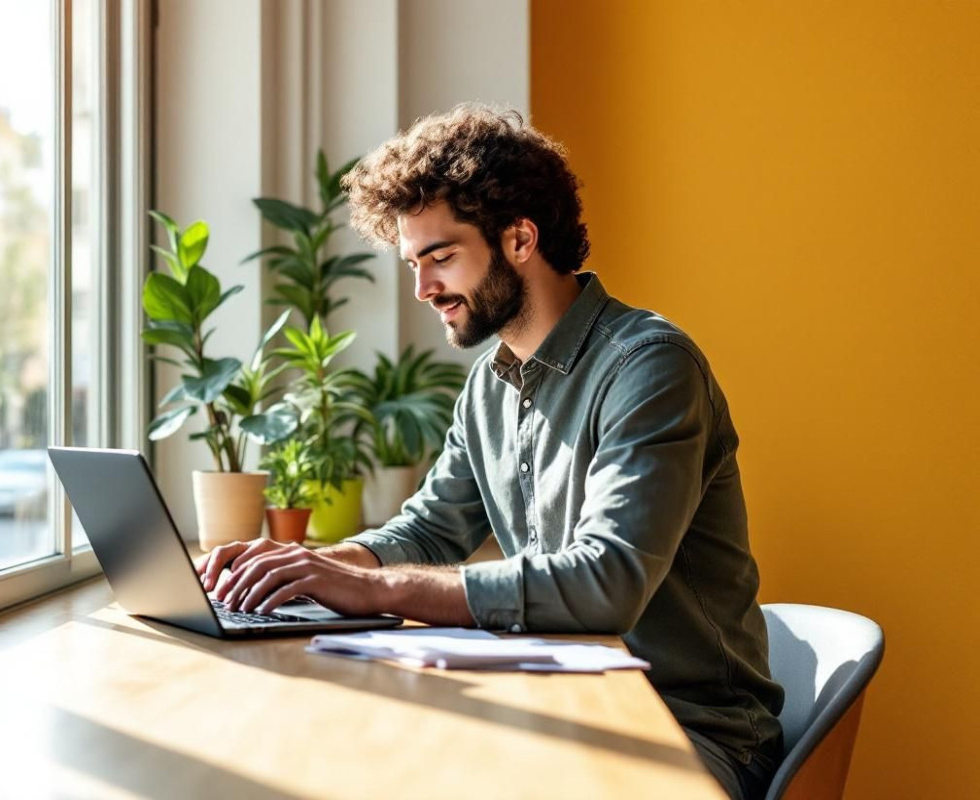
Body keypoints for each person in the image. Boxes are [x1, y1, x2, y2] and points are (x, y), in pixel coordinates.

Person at [195, 104, 784, 800]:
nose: (424, 290)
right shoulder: (488, 387)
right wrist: (313, 566)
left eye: (441, 258)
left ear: (520, 239)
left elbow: (608, 580)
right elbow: (429, 529)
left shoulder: (650, 367)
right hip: (560, 708)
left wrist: (375, 588)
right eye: (414, 263)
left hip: (686, 734)